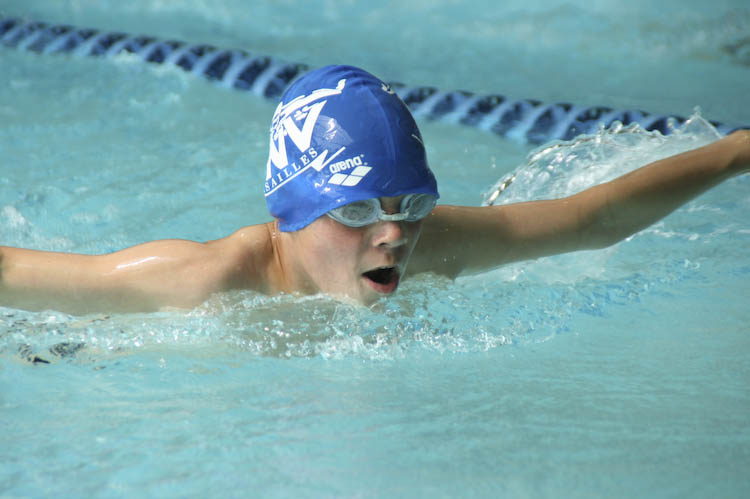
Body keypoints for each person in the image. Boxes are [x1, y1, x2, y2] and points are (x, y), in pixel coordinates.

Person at [1, 65, 748, 315]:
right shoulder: (205, 282)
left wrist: (737, 152)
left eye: (409, 206)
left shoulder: (430, 249)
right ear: (294, 211)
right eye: (357, 210)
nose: (393, 234)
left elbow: (593, 219)